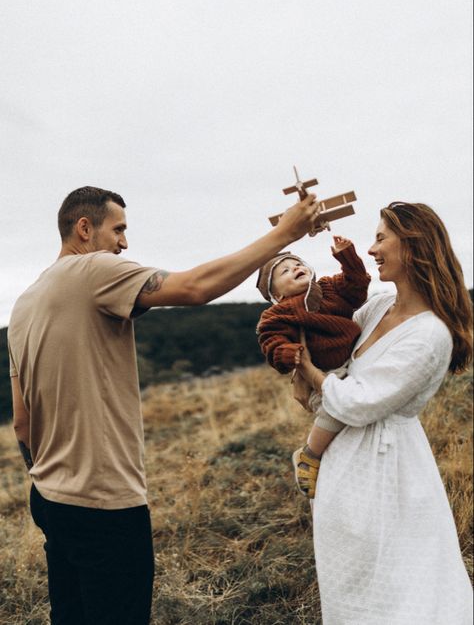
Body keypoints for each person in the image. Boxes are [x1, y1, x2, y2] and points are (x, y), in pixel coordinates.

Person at [8, 184, 319, 625]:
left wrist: (47, 478)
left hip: (49, 498)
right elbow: (194, 288)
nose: (124, 244)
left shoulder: (23, 307)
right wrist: (283, 235)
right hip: (105, 505)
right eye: (118, 230)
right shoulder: (92, 269)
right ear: (84, 228)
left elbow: (22, 423)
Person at [293, 202, 473, 624]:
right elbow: (337, 359)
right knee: (350, 582)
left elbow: (358, 401)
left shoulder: (431, 334)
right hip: (341, 463)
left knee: (397, 586)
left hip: (387, 470)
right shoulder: (376, 309)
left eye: (379, 238)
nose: (371, 249)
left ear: (411, 246)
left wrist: (313, 374)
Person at [255, 236, 371, 498]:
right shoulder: (277, 314)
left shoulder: (329, 287)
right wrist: (286, 354)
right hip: (323, 373)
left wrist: (347, 256)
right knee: (335, 411)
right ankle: (310, 455)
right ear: (277, 294)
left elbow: (357, 287)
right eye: (285, 271)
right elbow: (271, 340)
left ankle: (345, 461)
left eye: (298, 264)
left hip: (355, 361)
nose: (295, 268)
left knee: (358, 413)